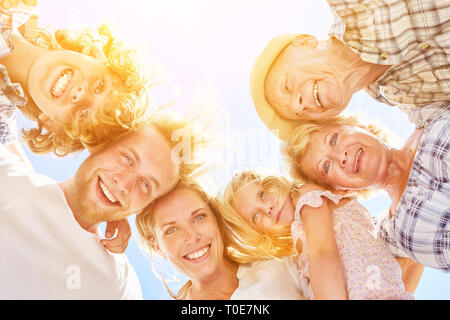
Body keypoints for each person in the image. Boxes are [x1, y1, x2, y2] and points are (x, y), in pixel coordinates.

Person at [0, 110, 205, 299]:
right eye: (127, 158)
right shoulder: (8, 173)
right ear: (100, 144)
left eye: (145, 185)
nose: (124, 184)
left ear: (143, 207)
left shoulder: (117, 284)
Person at [249, 0, 450, 141]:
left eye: (287, 86)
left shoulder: (350, 5)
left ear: (305, 42)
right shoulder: (409, 100)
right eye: (300, 115)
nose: (299, 106)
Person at [283, 106, 450, 272]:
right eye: (326, 166)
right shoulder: (398, 231)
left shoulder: (430, 113)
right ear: (342, 191)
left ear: (359, 126)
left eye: (333, 139)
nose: (341, 157)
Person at [222, 169, 423, 299]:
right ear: (259, 233)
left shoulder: (307, 197)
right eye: (255, 217)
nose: (268, 208)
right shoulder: (296, 250)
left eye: (263, 194)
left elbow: (324, 253)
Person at [0, 1, 151, 156]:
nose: (80, 95)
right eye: (100, 86)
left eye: (83, 115)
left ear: (51, 124)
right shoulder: (18, 6)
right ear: (93, 54)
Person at [136, 180, 305, 300]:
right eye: (171, 230)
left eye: (199, 217)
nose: (192, 237)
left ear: (216, 220)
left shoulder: (279, 266)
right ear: (158, 247)